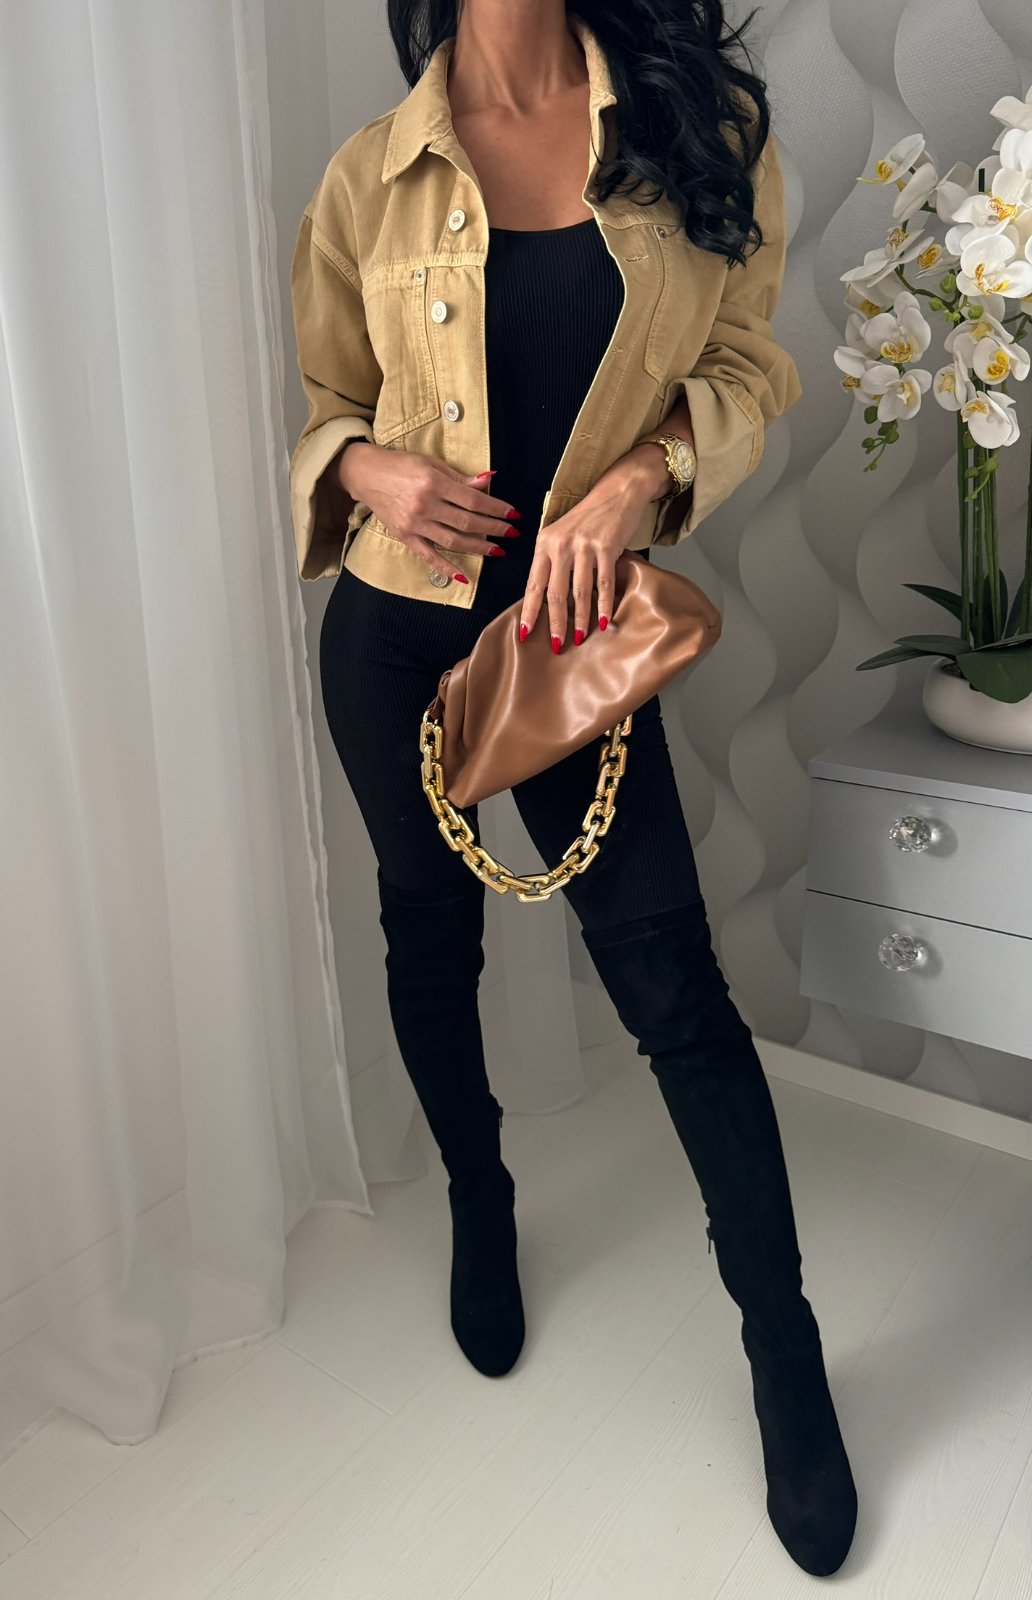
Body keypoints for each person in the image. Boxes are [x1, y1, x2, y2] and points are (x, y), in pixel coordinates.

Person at [289, 0, 857, 1577]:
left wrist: (639, 481)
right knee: (429, 936)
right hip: (394, 632)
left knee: (674, 989)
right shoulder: (371, 172)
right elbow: (331, 405)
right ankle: (479, 1200)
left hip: (571, 646)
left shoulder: (697, 133)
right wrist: (368, 469)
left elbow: (748, 366)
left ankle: (784, 1348)